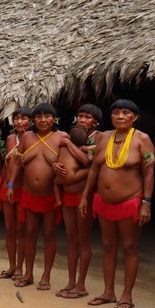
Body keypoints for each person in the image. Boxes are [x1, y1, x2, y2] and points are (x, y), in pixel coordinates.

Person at [79, 99, 154, 308]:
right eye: (116, 113)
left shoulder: (143, 139)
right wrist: (86, 197)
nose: (120, 116)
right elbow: (94, 169)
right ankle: (108, 292)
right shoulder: (103, 137)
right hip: (103, 202)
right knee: (108, 246)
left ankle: (127, 295)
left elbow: (149, 173)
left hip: (130, 201)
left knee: (129, 247)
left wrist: (146, 204)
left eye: (126, 113)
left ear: (135, 117)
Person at [7, 103, 66, 290]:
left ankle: (46, 276)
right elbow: (17, 163)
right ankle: (28, 273)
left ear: (54, 119)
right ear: (34, 120)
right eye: (39, 116)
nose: (43, 120)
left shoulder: (62, 137)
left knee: (49, 234)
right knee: (29, 233)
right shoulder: (27, 137)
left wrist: (61, 168)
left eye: (47, 116)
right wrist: (10, 184)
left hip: (50, 195)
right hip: (29, 194)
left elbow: (71, 163)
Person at [54, 125, 92, 298]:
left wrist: (69, 144)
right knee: (71, 238)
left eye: (88, 116)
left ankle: (81, 285)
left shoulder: (98, 139)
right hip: (67, 194)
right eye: (81, 116)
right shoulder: (63, 144)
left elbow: (87, 162)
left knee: (83, 240)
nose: (84, 119)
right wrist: (55, 164)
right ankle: (71, 282)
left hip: (82, 195)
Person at [0, 108, 30, 280]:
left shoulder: (32, 138)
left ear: (30, 121)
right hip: (7, 188)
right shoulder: (10, 139)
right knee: (9, 229)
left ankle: (19, 268)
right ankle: (11, 266)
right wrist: (0, 184)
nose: (19, 122)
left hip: (23, 188)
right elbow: (6, 165)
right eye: (16, 119)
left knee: (21, 230)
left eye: (24, 119)